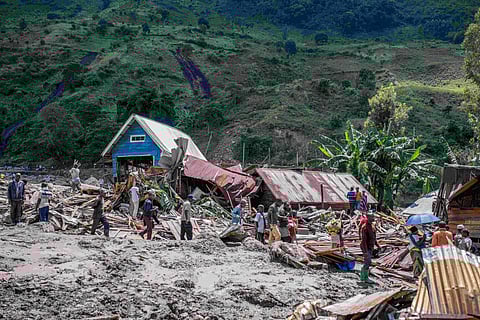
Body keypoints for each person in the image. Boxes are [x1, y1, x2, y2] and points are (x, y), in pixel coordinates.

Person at [360, 212, 379, 283]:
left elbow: (374, 237)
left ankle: (365, 277)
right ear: (368, 218)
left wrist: (377, 245)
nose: (373, 218)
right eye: (372, 217)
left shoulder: (372, 226)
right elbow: (363, 240)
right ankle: (363, 277)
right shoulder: (365, 227)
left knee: (368, 262)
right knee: (367, 262)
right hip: (366, 246)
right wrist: (365, 252)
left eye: (373, 217)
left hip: (370, 247)